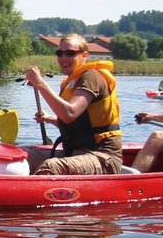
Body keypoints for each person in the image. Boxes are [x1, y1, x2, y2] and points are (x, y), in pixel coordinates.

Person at [25, 33, 122, 175]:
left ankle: (29, 195)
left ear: (84, 55)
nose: (63, 58)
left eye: (70, 53)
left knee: (52, 167)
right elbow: (77, 126)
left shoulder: (91, 76)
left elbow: (69, 114)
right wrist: (50, 119)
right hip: (74, 154)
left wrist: (39, 83)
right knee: (22, 155)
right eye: (60, 53)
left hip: (102, 156)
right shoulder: (70, 82)